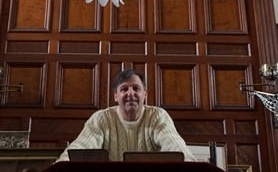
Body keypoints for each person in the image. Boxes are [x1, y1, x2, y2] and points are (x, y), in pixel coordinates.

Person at [55, 68, 197, 162]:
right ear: (116, 96)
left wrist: (193, 165)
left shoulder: (157, 116)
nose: (131, 93)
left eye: (136, 88)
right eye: (124, 89)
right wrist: (58, 167)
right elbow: (80, 148)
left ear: (145, 94)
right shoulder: (101, 119)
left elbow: (176, 147)